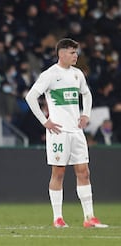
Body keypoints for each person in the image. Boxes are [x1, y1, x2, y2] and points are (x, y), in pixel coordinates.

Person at [25, 38, 108, 228]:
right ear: (61, 54)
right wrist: (45, 121)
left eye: (76, 52)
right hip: (58, 132)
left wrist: (85, 114)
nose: (75, 55)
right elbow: (30, 97)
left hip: (76, 131)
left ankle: (89, 218)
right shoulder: (50, 74)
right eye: (72, 52)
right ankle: (58, 218)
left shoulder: (78, 74)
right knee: (59, 172)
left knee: (84, 172)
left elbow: (86, 94)